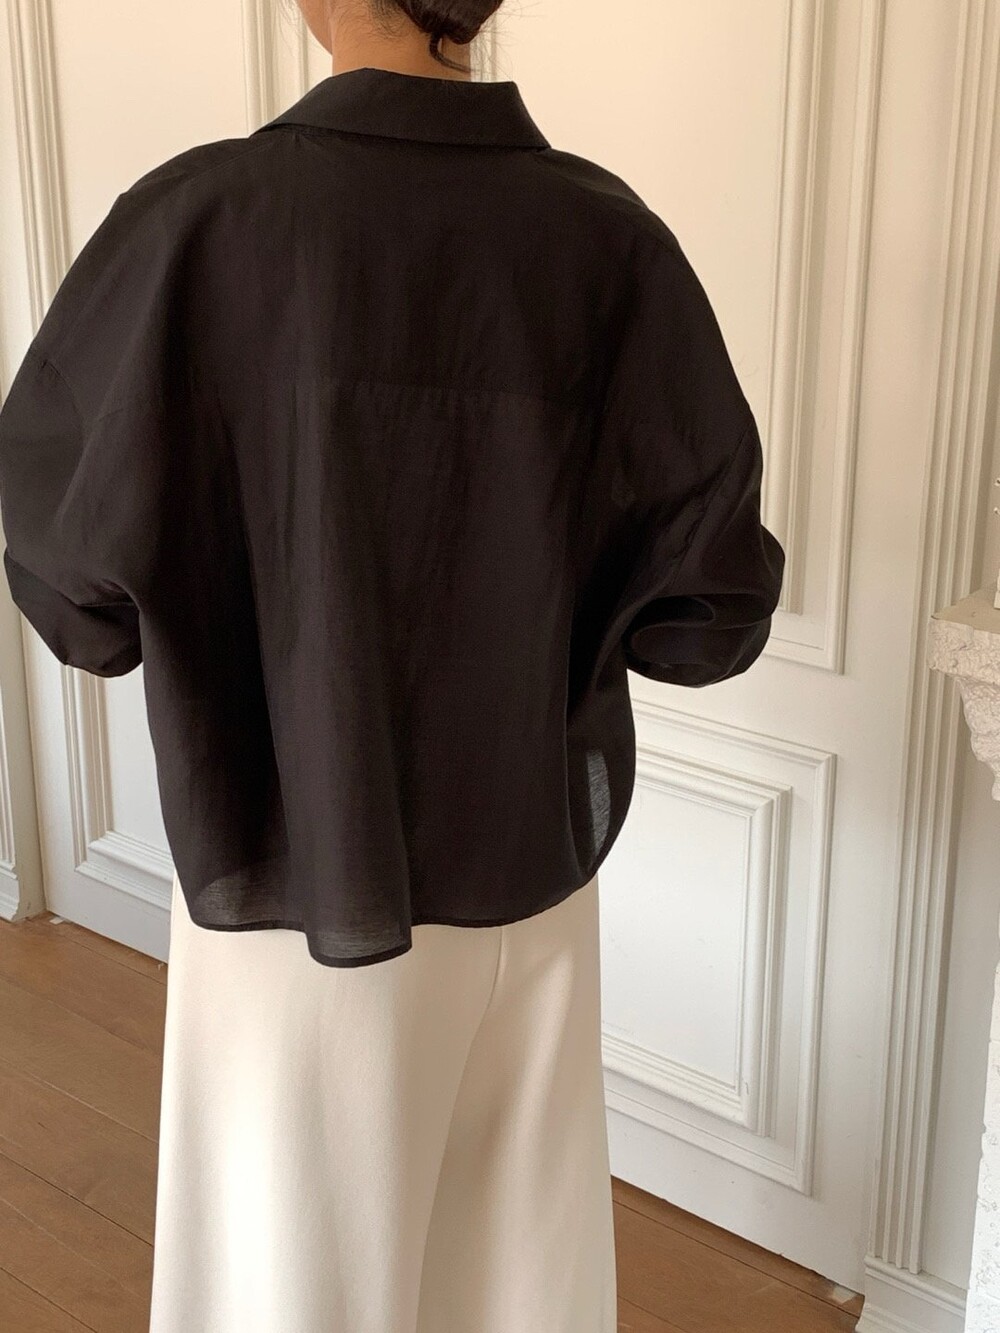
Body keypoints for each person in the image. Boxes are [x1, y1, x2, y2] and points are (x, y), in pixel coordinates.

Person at [0, 0, 785, 1329]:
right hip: (524, 882)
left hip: (285, 880)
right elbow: (707, 606)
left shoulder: (200, 224)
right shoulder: (609, 245)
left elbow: (65, 562)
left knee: (285, 1286)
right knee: (514, 1287)